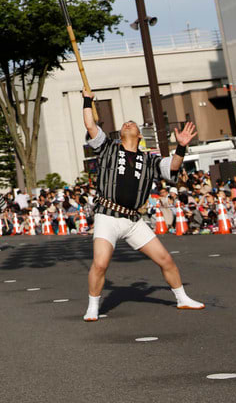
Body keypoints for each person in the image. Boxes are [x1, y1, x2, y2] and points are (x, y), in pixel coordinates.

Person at [81, 91, 204, 321]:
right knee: (100, 263)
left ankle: (182, 298)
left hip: (134, 220)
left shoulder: (149, 160)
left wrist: (181, 147)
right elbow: (90, 124)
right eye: (125, 123)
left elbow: (173, 167)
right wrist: (87, 99)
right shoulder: (107, 147)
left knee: (165, 259)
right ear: (121, 133)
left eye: (132, 124)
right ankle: (93, 306)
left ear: (138, 135)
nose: (128, 123)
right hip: (107, 216)